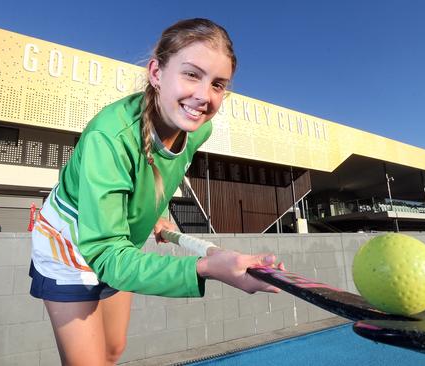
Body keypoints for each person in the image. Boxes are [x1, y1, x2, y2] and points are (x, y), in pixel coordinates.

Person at [29, 18, 282, 365]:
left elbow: (158, 173)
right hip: (70, 243)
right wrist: (205, 268)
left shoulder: (197, 130)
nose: (204, 97)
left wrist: (156, 214)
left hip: (119, 241)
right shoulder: (110, 138)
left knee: (113, 350)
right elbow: (106, 255)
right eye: (191, 74)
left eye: (218, 84)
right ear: (156, 72)